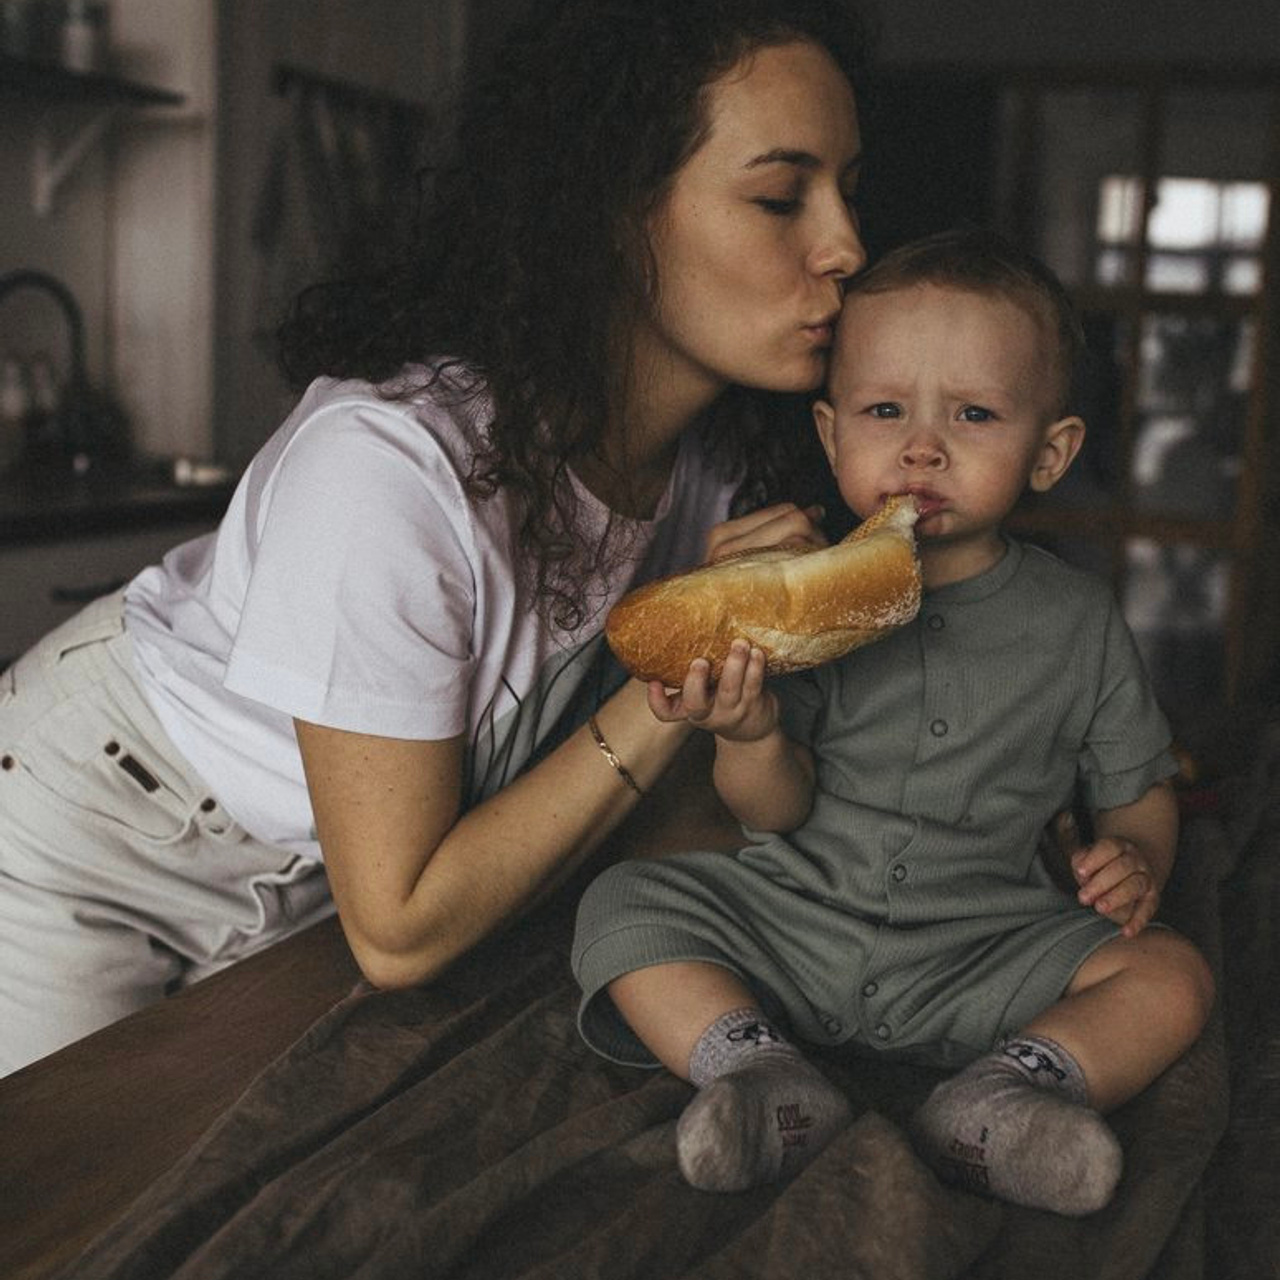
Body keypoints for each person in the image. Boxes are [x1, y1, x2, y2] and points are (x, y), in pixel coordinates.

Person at [0, 0, 872, 1076]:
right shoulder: (389, 469)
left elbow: (674, 813)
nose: (844, 245)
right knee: (64, 1211)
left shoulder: (711, 478)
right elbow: (402, 926)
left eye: (843, 189)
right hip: (88, 838)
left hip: (321, 874)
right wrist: (670, 673)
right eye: (781, 196)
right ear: (611, 214)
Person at [570, 228, 1216, 1216]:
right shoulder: (805, 598)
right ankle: (759, 1070)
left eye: (971, 412)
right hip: (791, 923)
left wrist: (1132, 851)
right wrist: (748, 738)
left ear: (1048, 453)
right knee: (620, 903)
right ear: (831, 437)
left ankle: (1002, 1093)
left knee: (1171, 975)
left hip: (982, 945)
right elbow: (771, 813)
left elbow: (1136, 786)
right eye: (883, 409)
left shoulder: (1078, 621)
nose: (921, 444)